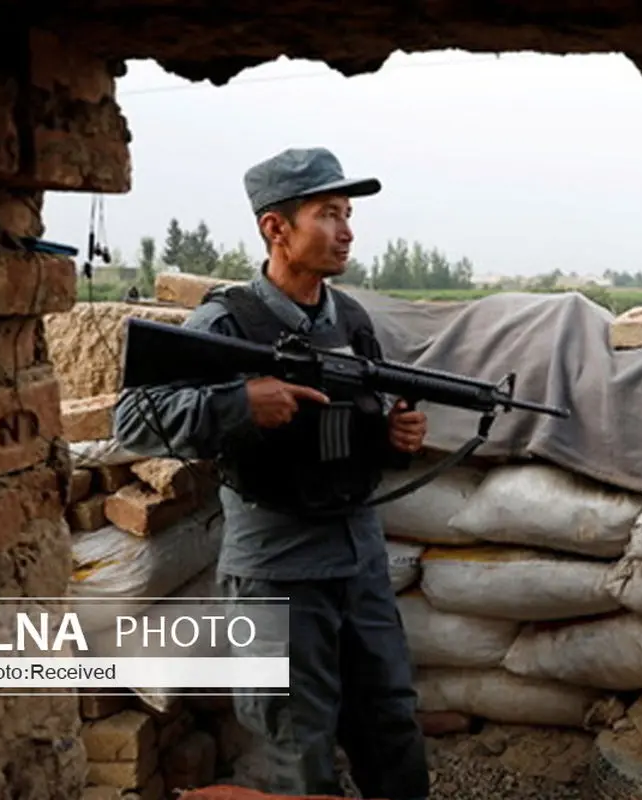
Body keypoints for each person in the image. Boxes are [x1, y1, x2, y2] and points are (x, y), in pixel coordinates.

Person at [112, 147, 430, 799]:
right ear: (275, 228)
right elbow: (134, 421)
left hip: (359, 559)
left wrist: (396, 437)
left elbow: (357, 421)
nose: (346, 230)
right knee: (295, 748)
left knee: (391, 727)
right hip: (277, 570)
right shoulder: (227, 323)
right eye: (327, 214)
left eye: (347, 214)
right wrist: (239, 403)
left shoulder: (351, 321)